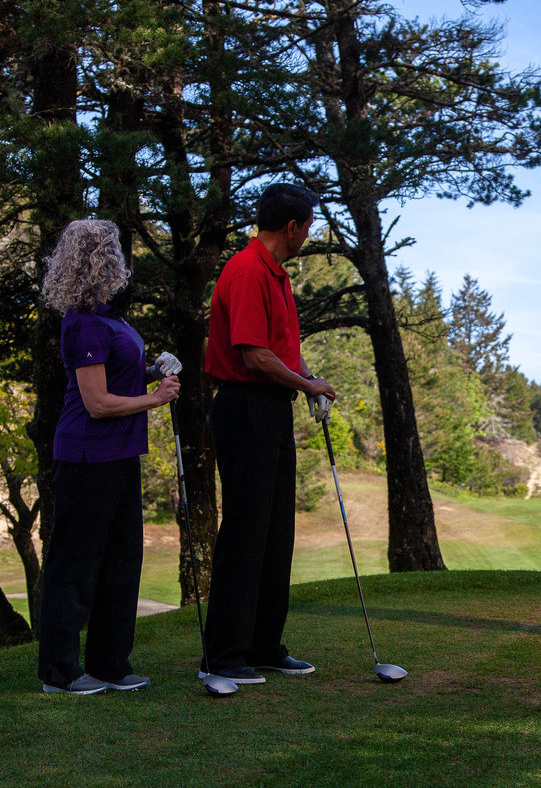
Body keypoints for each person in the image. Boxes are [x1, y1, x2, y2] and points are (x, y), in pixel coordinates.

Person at [37, 219, 182, 694]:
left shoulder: (108, 317)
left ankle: (109, 664)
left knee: (122, 560)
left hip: (120, 455)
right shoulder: (82, 323)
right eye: (115, 252)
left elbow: (117, 373)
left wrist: (151, 366)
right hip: (86, 456)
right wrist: (155, 399)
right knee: (75, 564)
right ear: (102, 258)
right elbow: (98, 403)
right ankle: (59, 672)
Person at [201, 182, 335, 689]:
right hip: (244, 408)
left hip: (273, 410)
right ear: (293, 227)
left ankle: (263, 645)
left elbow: (283, 350)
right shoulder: (247, 270)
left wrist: (308, 384)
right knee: (246, 530)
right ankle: (223, 654)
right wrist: (306, 384)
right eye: (309, 226)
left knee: (277, 533)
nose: (309, 235)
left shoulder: (277, 276)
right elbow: (253, 355)